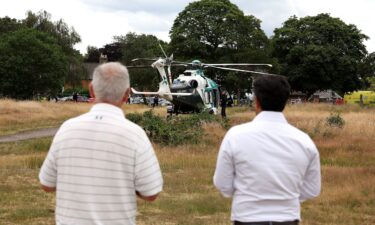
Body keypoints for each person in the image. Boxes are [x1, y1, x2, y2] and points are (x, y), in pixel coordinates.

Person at [39, 62, 163, 225]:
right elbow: (151, 193)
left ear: (92, 89)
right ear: (126, 94)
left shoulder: (66, 129)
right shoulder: (135, 135)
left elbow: (47, 184)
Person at [213, 75, 321, 225]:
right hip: (287, 218)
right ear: (285, 102)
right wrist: (287, 197)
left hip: (246, 218)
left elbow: (222, 183)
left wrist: (245, 194)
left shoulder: (235, 136)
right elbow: (312, 189)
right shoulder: (304, 141)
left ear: (256, 101)